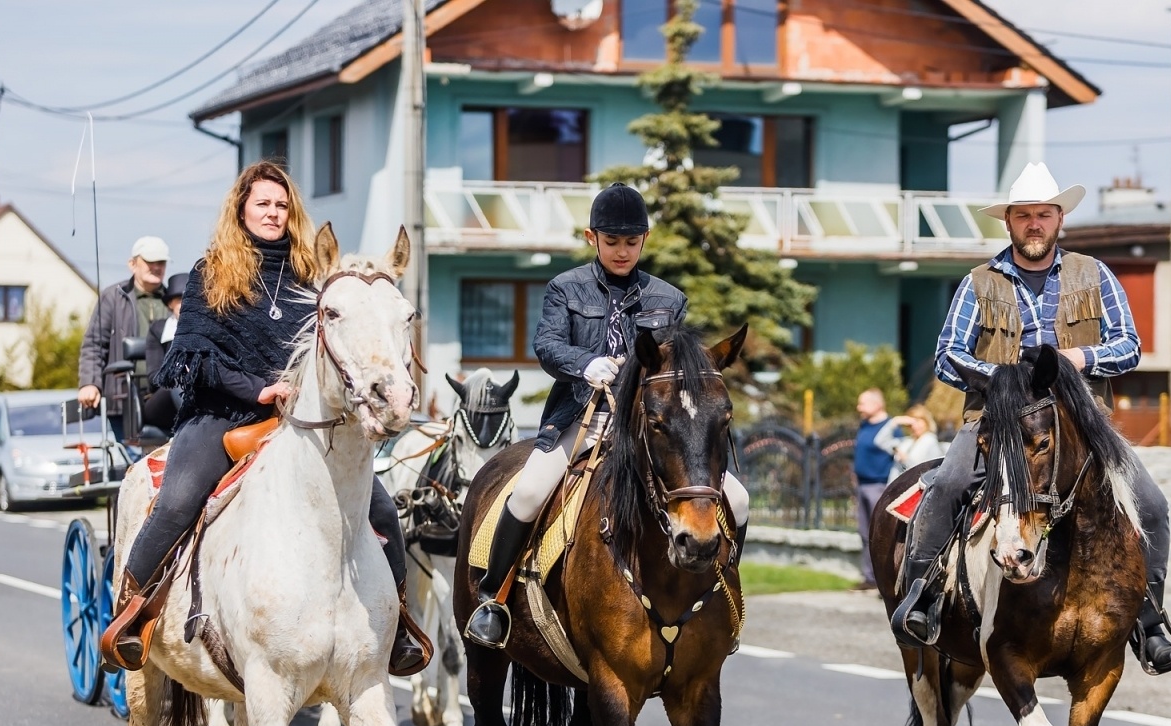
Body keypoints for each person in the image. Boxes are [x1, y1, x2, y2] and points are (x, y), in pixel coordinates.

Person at [99, 162, 429, 677]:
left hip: (298, 423)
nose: (273, 214)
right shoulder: (212, 272)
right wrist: (258, 388)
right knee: (178, 499)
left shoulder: (310, 277)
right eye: (263, 205)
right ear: (242, 209)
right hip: (220, 417)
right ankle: (133, 614)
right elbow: (193, 357)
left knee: (382, 511)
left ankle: (399, 628)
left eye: (281, 205)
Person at [889, 162, 1171, 674]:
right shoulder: (978, 282)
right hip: (996, 420)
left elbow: (1129, 346)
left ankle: (1149, 619)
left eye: (1042, 215)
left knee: (1153, 505)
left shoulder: (1095, 274)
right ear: (1008, 222)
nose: (1033, 224)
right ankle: (923, 597)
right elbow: (946, 355)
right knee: (948, 484)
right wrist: (1001, 379)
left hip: (1082, 424)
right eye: (1023, 215)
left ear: (1058, 220)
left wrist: (1078, 360)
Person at [464, 182, 751, 649]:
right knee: (530, 491)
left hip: (646, 427)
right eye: (612, 242)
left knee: (736, 501)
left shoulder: (669, 298)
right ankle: (492, 599)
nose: (622, 251)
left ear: (646, 239)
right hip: (583, 417)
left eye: (631, 242)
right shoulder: (565, 288)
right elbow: (547, 346)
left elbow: (674, 361)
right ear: (591, 237)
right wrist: (584, 364)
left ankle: (723, 598)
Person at [79, 236, 171, 436]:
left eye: (161, 262)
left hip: (164, 400)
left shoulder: (175, 300)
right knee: (132, 462)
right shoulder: (113, 297)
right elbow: (94, 345)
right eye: (150, 261)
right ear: (132, 264)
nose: (156, 267)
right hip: (124, 398)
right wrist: (90, 383)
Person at [852, 388, 902, 591]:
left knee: (880, 534)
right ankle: (869, 577)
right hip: (862, 485)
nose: (859, 407)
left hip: (880, 485)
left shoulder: (890, 428)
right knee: (864, 533)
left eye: (862, 403)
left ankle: (885, 577)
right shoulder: (864, 426)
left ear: (877, 404)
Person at [140, 271, 188, 435]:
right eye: (180, 300)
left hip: (196, 393)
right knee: (178, 383)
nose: (186, 304)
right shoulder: (159, 330)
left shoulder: (205, 328)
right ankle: (191, 428)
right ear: (170, 304)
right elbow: (154, 376)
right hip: (162, 400)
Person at [891, 404, 945, 475]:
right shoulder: (908, 441)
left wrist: (905, 460)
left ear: (926, 421)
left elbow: (931, 469)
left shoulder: (929, 441)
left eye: (918, 421)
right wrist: (895, 421)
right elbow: (881, 442)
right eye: (911, 424)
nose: (914, 426)